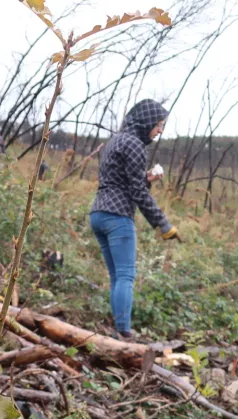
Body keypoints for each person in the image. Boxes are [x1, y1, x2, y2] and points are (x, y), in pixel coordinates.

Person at [90, 99, 179, 339]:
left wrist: (146, 178)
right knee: (126, 276)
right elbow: (136, 192)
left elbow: (123, 179)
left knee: (117, 276)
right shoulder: (136, 145)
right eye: (159, 124)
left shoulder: (116, 140)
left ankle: (118, 330)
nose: (160, 130)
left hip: (98, 214)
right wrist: (162, 222)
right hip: (118, 217)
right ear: (147, 121)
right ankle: (124, 334)